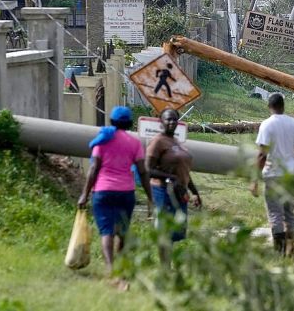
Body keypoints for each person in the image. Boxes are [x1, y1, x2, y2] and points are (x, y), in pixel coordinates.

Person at [77, 106, 153, 276]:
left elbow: (94, 168)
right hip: (126, 192)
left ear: (112, 122)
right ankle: (120, 265)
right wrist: (150, 197)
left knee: (107, 231)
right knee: (122, 231)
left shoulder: (102, 140)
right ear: (130, 124)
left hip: (103, 191)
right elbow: (142, 171)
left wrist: (84, 194)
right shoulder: (135, 143)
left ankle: (110, 268)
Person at [251, 93, 294, 256]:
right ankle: (292, 251)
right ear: (283, 106)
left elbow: (262, 155)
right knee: (289, 214)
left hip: (273, 175)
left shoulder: (267, 125)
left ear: (270, 107)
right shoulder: (293, 124)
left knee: (275, 214)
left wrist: (254, 179)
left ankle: (279, 252)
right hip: (290, 175)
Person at [146, 108, 201, 259]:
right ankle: (165, 267)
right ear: (161, 122)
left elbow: (184, 171)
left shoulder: (176, 141)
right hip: (163, 191)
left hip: (179, 191)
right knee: (165, 230)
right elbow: (147, 169)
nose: (171, 122)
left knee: (176, 231)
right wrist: (171, 178)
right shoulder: (158, 141)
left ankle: (168, 264)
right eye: (167, 119)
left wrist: (195, 192)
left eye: (174, 119)